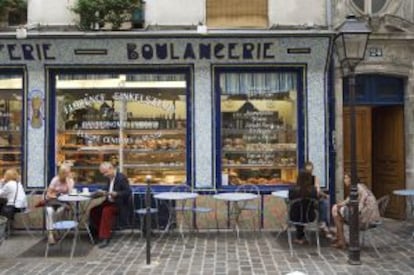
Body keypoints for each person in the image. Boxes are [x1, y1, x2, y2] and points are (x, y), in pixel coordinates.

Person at [331, 173, 380, 249]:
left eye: (346, 178)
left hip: (365, 219)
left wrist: (338, 207)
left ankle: (341, 240)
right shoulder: (360, 186)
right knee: (336, 211)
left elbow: (362, 200)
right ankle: (340, 239)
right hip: (370, 217)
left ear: (351, 179)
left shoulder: (357, 188)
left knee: (336, 211)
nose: (344, 180)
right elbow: (347, 201)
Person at [89, 162, 131, 248]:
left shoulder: (121, 178)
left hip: (119, 204)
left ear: (111, 168)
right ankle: (98, 232)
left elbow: (128, 192)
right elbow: (108, 189)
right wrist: (101, 192)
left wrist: (117, 194)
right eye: (103, 173)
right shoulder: (109, 178)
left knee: (106, 211)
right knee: (94, 211)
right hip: (109, 202)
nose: (104, 175)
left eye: (106, 172)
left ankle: (105, 237)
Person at [45, 164, 75, 244]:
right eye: (66, 173)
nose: (68, 174)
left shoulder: (70, 181)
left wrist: (68, 182)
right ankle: (51, 234)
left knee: (58, 212)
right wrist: (56, 196)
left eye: (69, 173)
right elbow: (48, 194)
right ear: (62, 173)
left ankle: (56, 230)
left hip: (64, 203)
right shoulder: (55, 180)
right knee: (49, 211)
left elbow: (70, 194)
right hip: (53, 201)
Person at [288, 170, 318, 244]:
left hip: (295, 217)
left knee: (297, 211)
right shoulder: (313, 190)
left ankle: (299, 236)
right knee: (303, 211)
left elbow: (289, 200)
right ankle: (301, 236)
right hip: (310, 217)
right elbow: (316, 200)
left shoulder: (293, 190)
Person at [304, 161, 331, 238]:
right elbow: (317, 191)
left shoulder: (312, 178)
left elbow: (318, 190)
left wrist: (323, 194)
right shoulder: (305, 179)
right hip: (308, 203)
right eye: (308, 171)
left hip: (310, 203)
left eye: (310, 171)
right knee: (324, 202)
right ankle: (323, 224)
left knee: (324, 202)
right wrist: (324, 195)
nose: (309, 172)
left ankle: (323, 224)